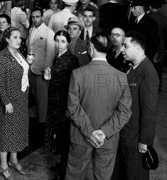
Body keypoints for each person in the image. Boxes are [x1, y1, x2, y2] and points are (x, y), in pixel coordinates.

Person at [65, 32, 132, 180]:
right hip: (108, 138)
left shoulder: (77, 74)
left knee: (75, 174)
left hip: (80, 136)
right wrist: (104, 132)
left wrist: (90, 132)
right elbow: (125, 112)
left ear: (91, 48)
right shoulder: (121, 77)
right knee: (102, 176)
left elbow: (73, 108)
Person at [113, 32, 159, 180]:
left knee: (135, 174)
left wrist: (144, 141)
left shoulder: (148, 73)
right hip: (125, 134)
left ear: (138, 48)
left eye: (126, 46)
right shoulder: (131, 67)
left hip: (135, 138)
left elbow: (149, 111)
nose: (123, 50)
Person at [0, 27, 31, 179]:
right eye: (15, 37)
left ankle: (13, 160)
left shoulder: (18, 54)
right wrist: (6, 102)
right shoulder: (1, 57)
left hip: (21, 98)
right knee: (6, 132)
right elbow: (0, 83)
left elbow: (22, 72)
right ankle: (3, 165)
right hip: (9, 100)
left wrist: (29, 64)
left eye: (20, 37)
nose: (19, 40)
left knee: (17, 130)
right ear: (7, 39)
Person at [45, 30, 79, 180]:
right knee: (58, 135)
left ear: (68, 42)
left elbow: (73, 86)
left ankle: (63, 172)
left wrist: (69, 107)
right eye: (57, 41)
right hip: (54, 102)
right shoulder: (56, 57)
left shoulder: (71, 59)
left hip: (64, 103)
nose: (59, 44)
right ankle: (61, 166)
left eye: (63, 41)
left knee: (64, 137)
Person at [27, 7, 55, 124]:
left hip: (42, 70)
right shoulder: (31, 29)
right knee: (34, 96)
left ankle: (42, 122)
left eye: (37, 17)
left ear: (42, 17)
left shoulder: (49, 32)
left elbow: (50, 54)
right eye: (33, 17)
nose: (35, 19)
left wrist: (46, 71)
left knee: (42, 99)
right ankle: (37, 117)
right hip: (32, 68)